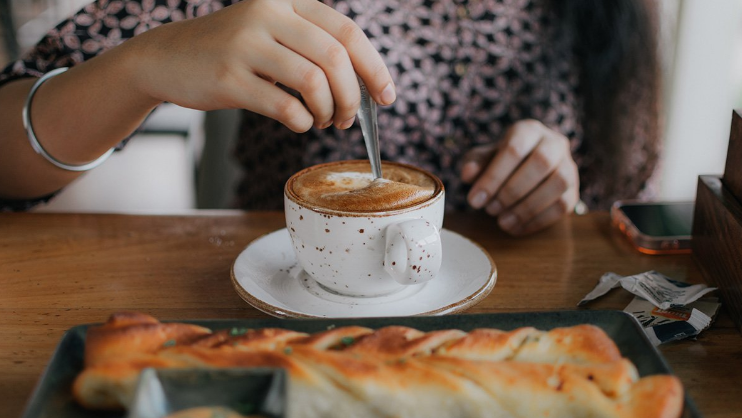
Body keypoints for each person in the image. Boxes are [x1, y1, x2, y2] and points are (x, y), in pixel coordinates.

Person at [0, 0, 660, 236]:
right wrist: (142, 65)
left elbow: (637, 226)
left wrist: (559, 190)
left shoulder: (617, 14)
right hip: (291, 329)